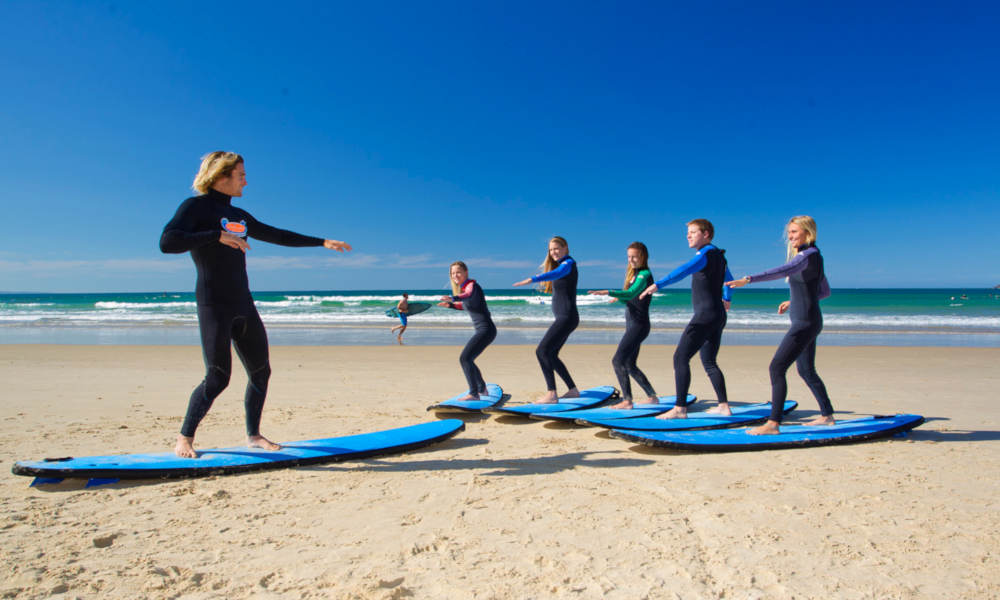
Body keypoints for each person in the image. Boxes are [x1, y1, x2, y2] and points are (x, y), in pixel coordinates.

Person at [160, 151, 351, 458]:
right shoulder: (194, 207)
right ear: (221, 178)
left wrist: (322, 242)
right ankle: (184, 438)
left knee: (261, 372)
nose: (246, 181)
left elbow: (276, 235)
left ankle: (254, 435)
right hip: (214, 304)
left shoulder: (240, 216)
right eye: (241, 175)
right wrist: (215, 237)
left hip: (243, 302)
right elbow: (167, 242)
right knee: (218, 377)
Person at [726, 215, 834, 435]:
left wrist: (748, 279)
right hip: (809, 320)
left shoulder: (807, 255)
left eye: (794, 232)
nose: (790, 237)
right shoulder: (815, 257)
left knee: (777, 367)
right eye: (789, 233)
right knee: (806, 370)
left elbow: (782, 271)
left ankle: (773, 423)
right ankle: (827, 416)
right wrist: (794, 300)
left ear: (808, 232)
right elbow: (824, 291)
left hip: (804, 322)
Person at [640, 219, 734, 419]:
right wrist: (727, 297)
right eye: (688, 233)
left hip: (705, 315)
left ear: (706, 234)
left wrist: (658, 285)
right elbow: (729, 279)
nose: (688, 236)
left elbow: (683, 270)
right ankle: (724, 406)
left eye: (693, 232)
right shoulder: (720, 256)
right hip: (718, 314)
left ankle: (680, 408)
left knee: (680, 357)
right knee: (709, 361)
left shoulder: (705, 254)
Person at [588, 242, 658, 409]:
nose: (631, 260)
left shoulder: (644, 274)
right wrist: (619, 298)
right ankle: (652, 396)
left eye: (634, 256)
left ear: (643, 257)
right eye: (629, 257)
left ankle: (627, 400)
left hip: (638, 326)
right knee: (629, 364)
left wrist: (609, 292)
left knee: (617, 360)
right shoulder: (634, 275)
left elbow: (632, 293)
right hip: (634, 325)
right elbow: (630, 297)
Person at [513, 236, 580, 403]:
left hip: (566, 317)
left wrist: (533, 279)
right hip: (566, 317)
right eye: (550, 250)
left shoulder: (569, 264)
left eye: (556, 248)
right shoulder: (562, 265)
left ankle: (551, 393)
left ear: (566, 248)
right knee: (551, 354)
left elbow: (557, 273)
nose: (553, 252)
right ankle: (573, 390)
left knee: (541, 351)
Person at [438, 262, 497, 400]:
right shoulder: (464, 289)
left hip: (486, 329)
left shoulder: (472, 286)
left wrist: (453, 298)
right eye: (452, 273)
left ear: (466, 272)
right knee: (468, 359)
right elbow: (466, 306)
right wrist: (451, 305)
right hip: (483, 330)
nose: (455, 275)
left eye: (458, 272)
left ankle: (474, 393)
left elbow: (468, 295)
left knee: (465, 358)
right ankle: (482, 390)